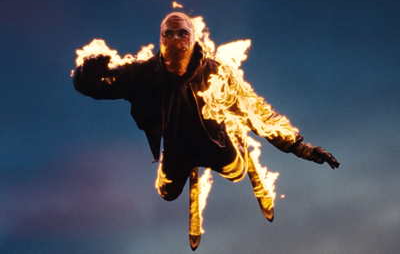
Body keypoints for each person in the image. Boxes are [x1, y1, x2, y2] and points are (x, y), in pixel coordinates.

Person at [73, 12, 339, 214]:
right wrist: (87, 75)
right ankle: (182, 159)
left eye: (182, 33)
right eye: (169, 33)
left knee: (235, 170)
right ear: (161, 39)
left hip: (215, 143)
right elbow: (97, 89)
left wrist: (300, 147)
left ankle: (231, 138)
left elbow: (257, 111)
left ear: (192, 38)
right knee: (167, 192)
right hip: (177, 147)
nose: (176, 39)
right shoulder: (140, 74)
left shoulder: (217, 73)